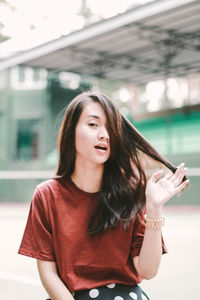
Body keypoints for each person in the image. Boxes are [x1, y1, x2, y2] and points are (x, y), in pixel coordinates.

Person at [18, 91, 189, 300]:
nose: (104, 134)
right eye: (93, 124)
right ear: (71, 131)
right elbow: (48, 274)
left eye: (110, 128)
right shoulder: (46, 195)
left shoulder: (132, 192)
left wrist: (154, 209)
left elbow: (147, 271)